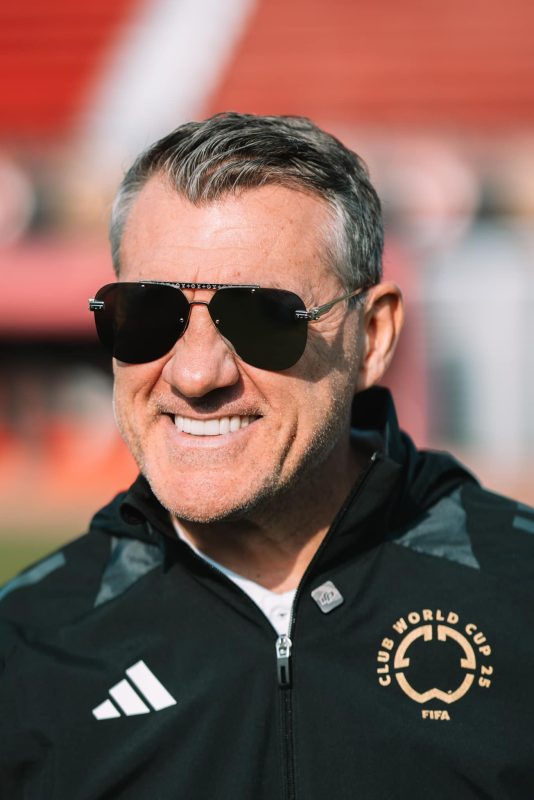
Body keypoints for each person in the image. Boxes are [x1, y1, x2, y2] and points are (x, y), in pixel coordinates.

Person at [1, 113, 533, 800]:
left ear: (372, 337)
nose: (196, 374)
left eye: (262, 318)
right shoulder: (25, 647)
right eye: (148, 314)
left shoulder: (519, 592)